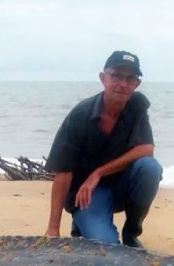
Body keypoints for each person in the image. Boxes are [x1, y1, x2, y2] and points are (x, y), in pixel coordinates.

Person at [43, 50, 163, 248]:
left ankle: (131, 234)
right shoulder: (80, 115)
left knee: (150, 168)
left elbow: (147, 149)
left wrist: (98, 173)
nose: (123, 84)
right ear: (103, 78)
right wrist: (53, 228)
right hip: (88, 194)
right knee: (107, 249)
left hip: (122, 186)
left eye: (130, 78)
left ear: (136, 84)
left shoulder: (136, 106)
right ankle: (82, 222)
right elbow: (63, 173)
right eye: (116, 76)